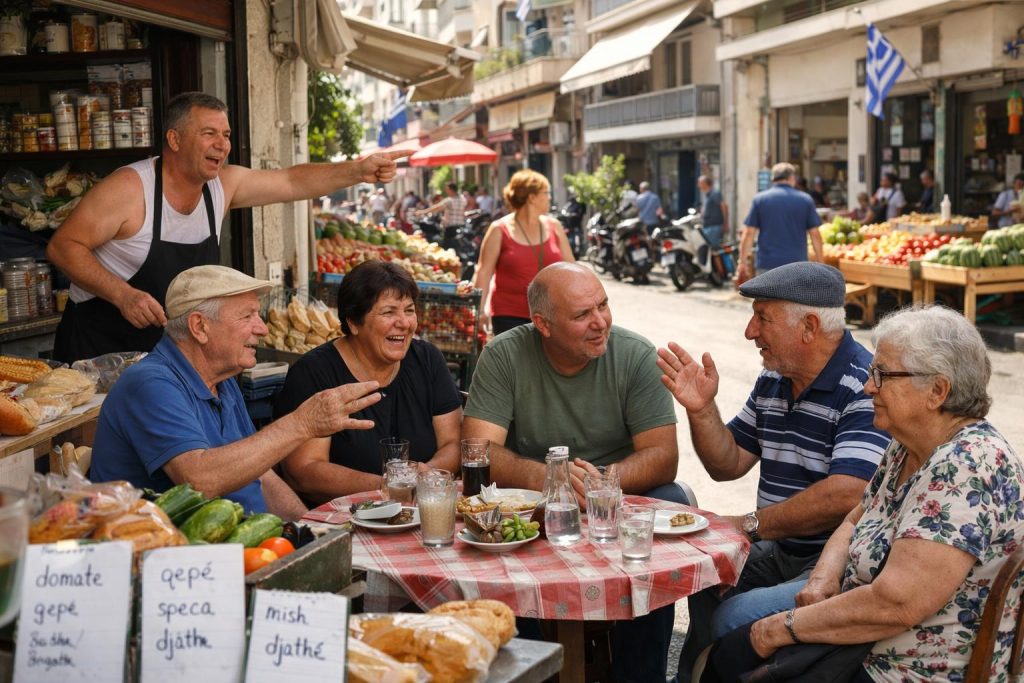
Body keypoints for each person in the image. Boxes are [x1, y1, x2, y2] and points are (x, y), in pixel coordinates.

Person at [713, 305, 1024, 683]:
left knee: (741, 644)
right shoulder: (908, 446)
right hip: (861, 644)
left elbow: (894, 604)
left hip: (904, 669)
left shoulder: (966, 465)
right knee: (730, 650)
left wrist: (780, 627)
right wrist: (823, 578)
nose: (868, 386)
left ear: (937, 391)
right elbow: (855, 518)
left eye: (882, 374)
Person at [48, 91, 406, 364]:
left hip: (167, 357)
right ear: (174, 140)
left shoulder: (222, 186)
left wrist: (358, 170)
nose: (223, 145)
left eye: (226, 134)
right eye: (209, 133)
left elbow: (291, 182)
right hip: (97, 352)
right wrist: (123, 295)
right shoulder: (130, 189)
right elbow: (63, 246)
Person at [658, 261, 891, 680]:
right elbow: (727, 464)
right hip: (783, 549)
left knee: (735, 615)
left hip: (835, 563)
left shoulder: (862, 386)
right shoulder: (776, 378)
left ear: (809, 327)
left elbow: (846, 493)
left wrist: (749, 524)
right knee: (703, 577)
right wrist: (701, 408)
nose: (750, 331)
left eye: (762, 318)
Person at [463, 262, 683, 683]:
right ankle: (534, 670)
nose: (600, 322)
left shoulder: (636, 355)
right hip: (531, 504)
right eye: (583, 315)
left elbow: (662, 456)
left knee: (669, 499)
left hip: (616, 498)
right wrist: (553, 479)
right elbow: (478, 448)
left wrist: (603, 482)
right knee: (487, 523)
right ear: (542, 324)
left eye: (603, 305)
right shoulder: (504, 354)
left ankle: (640, 676)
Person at [90, 265, 383, 519]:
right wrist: (302, 423)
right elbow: (199, 480)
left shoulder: (223, 381)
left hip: (234, 549)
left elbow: (260, 473)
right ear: (199, 327)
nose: (263, 329)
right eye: (247, 316)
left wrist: (306, 528)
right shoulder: (150, 384)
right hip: (170, 564)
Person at [273, 261, 462, 505]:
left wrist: (425, 478)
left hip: (420, 508)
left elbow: (453, 443)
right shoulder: (315, 373)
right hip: (345, 517)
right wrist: (389, 486)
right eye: (388, 312)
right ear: (353, 322)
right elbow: (304, 471)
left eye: (409, 310)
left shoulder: (427, 359)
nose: (404, 323)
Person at [472, 169, 574, 336]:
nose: (549, 197)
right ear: (532, 197)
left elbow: (572, 269)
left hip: (552, 315)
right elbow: (484, 272)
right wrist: (480, 312)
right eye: (546, 193)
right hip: (509, 315)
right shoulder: (499, 229)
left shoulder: (554, 226)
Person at [737, 162, 823, 281]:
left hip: (767, 265)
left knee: (766, 299)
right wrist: (821, 265)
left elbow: (748, 234)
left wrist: (742, 262)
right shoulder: (805, 200)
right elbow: (815, 236)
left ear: (773, 179)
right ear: (792, 178)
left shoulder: (760, 199)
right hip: (797, 266)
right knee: (794, 300)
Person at [416, 182, 467, 250]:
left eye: (447, 189)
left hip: (450, 228)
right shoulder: (462, 199)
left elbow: (437, 207)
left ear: (450, 190)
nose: (446, 191)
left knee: (447, 247)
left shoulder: (449, 200)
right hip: (461, 227)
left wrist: (423, 211)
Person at [698, 175, 729, 248]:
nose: (698, 185)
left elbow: (724, 207)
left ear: (704, 183)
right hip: (708, 226)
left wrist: (725, 223)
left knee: (714, 249)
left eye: (699, 183)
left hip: (714, 227)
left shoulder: (714, 193)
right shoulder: (707, 195)